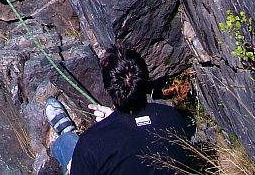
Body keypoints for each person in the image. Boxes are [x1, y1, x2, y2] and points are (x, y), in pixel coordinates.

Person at [44, 47, 195, 175]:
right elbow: (140, 136)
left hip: (86, 153)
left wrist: (74, 167)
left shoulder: (89, 145)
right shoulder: (174, 118)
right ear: (146, 78)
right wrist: (117, 120)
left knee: (65, 143)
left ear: (108, 89)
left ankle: (66, 132)